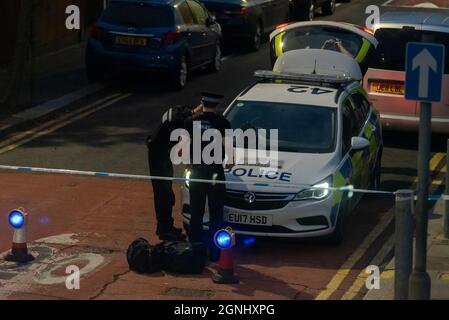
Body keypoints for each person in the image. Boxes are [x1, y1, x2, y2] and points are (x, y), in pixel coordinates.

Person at [184, 92, 232, 262]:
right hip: (215, 174)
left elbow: (182, 148)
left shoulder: (191, 122)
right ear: (217, 105)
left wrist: (188, 162)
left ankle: (195, 251)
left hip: (197, 172)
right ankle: (215, 253)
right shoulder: (223, 123)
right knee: (216, 215)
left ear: (202, 103)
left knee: (196, 214)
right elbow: (230, 154)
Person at [146, 105, 200, 241]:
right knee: (164, 194)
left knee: (165, 194)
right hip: (159, 155)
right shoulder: (182, 123)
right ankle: (164, 230)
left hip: (159, 151)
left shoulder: (181, 111)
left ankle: (166, 226)